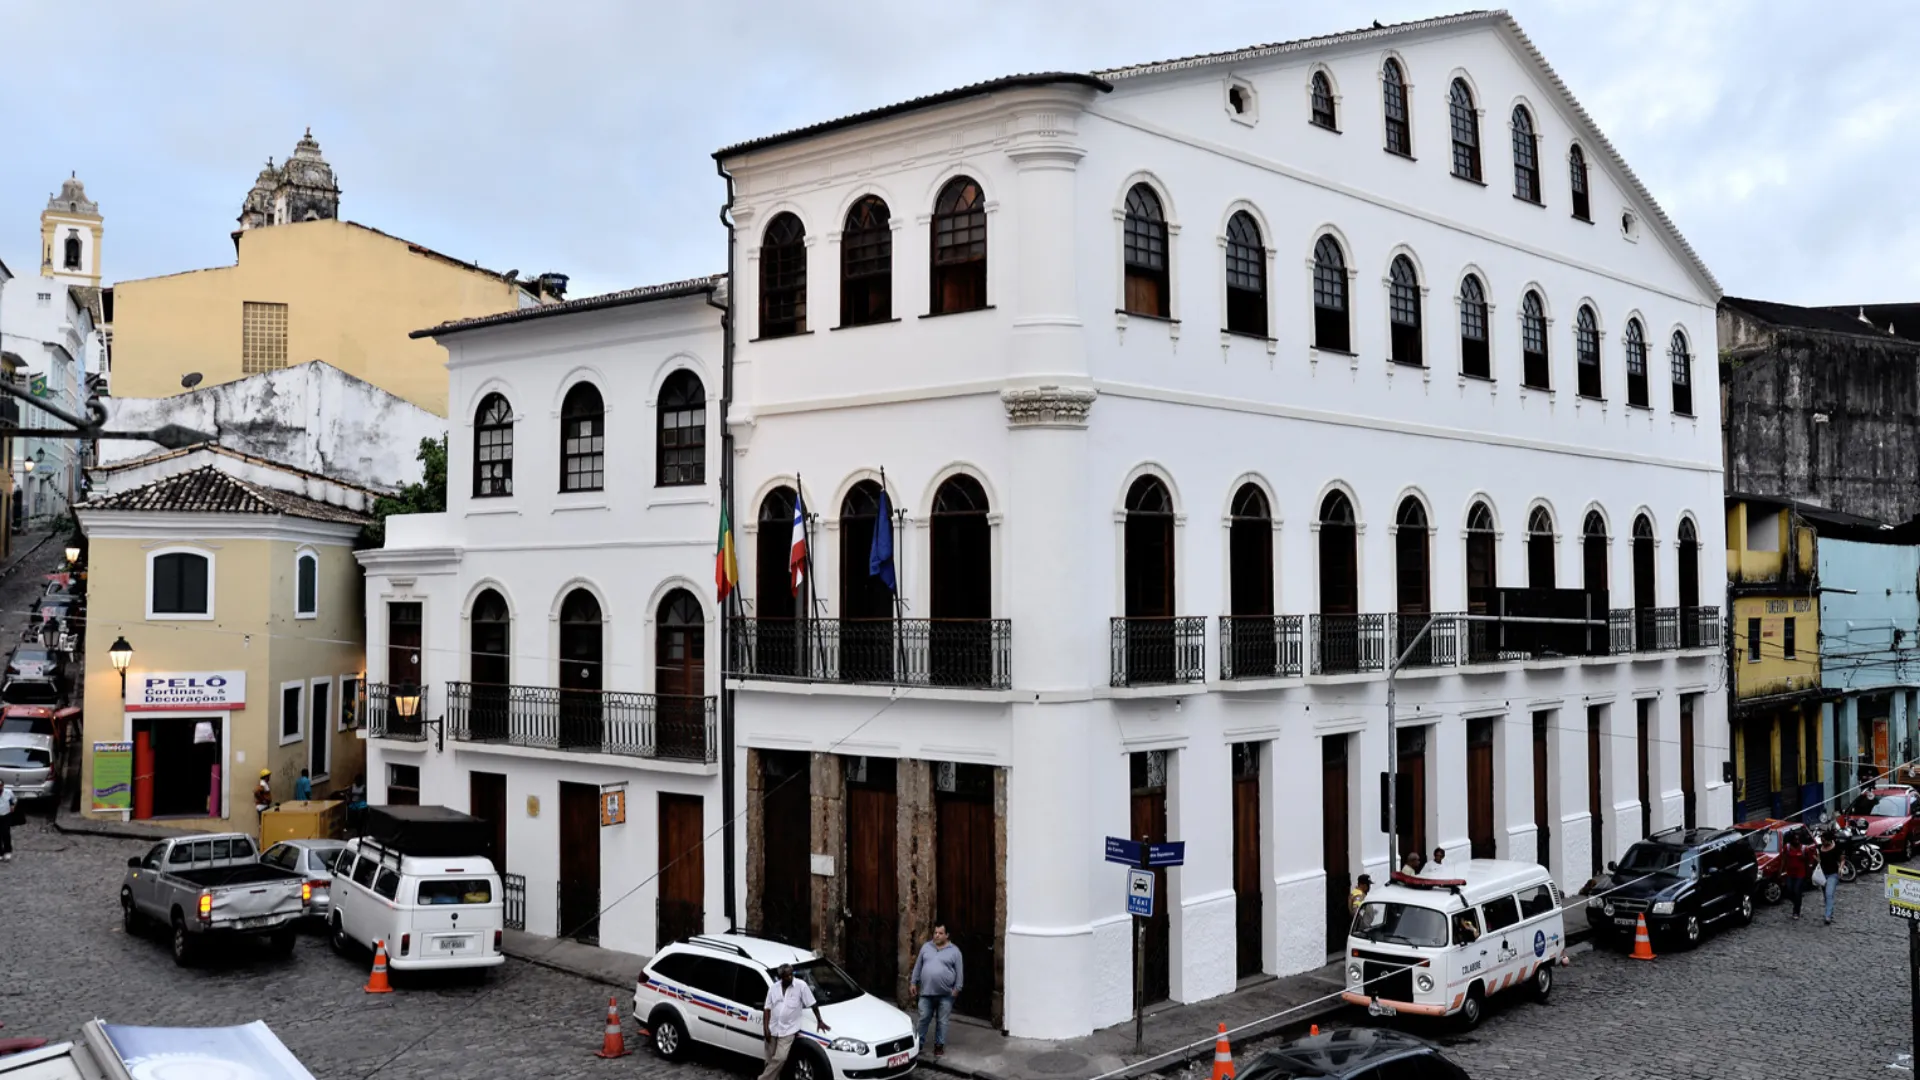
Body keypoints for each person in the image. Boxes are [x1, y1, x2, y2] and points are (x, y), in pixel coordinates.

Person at [759, 962, 829, 1080]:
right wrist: (766, 1029)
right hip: (773, 1028)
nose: (790, 977)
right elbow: (767, 1009)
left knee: (780, 1058)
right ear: (781, 977)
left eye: (791, 974)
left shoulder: (801, 986)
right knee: (770, 1061)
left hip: (788, 1030)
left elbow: (813, 1003)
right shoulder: (773, 988)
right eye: (786, 976)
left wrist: (819, 1020)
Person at [909, 923, 964, 1059]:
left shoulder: (954, 951)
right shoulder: (926, 947)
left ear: (947, 935)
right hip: (926, 992)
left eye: (940, 933)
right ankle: (918, 1044)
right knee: (923, 1018)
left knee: (942, 1021)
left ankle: (939, 1045)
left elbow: (959, 972)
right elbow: (918, 966)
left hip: (946, 994)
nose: (937, 936)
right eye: (935, 933)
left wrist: (957, 988)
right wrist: (913, 982)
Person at [1782, 826, 1816, 921]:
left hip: (1800, 874)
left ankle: (1796, 911)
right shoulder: (1787, 847)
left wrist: (1809, 870)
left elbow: (1810, 860)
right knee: (1789, 890)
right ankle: (1797, 902)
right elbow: (1784, 859)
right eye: (1795, 839)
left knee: (1797, 890)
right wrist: (1781, 871)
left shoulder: (1804, 849)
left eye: (1798, 839)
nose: (1797, 841)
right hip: (1790, 873)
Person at [1818, 830, 1843, 925]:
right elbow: (1819, 861)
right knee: (1826, 895)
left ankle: (1827, 916)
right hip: (1823, 875)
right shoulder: (1819, 848)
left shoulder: (1836, 847)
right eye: (1821, 840)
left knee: (1829, 894)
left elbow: (1842, 859)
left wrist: (1840, 867)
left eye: (1824, 840)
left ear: (1829, 840)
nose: (1822, 842)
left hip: (1833, 874)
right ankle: (1830, 910)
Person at [0, 779, 15, 861]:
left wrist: (12, 806)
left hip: (6, 815)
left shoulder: (8, 792)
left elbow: (13, 800)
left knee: (6, 833)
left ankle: (7, 851)